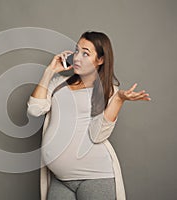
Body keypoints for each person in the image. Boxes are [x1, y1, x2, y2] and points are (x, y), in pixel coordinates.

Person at [27, 31, 151, 200]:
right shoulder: (57, 84)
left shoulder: (109, 91)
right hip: (61, 179)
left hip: (95, 176)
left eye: (86, 53)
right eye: (76, 51)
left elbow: (98, 134)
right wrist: (50, 71)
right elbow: (34, 110)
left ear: (100, 60)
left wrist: (119, 100)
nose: (77, 58)